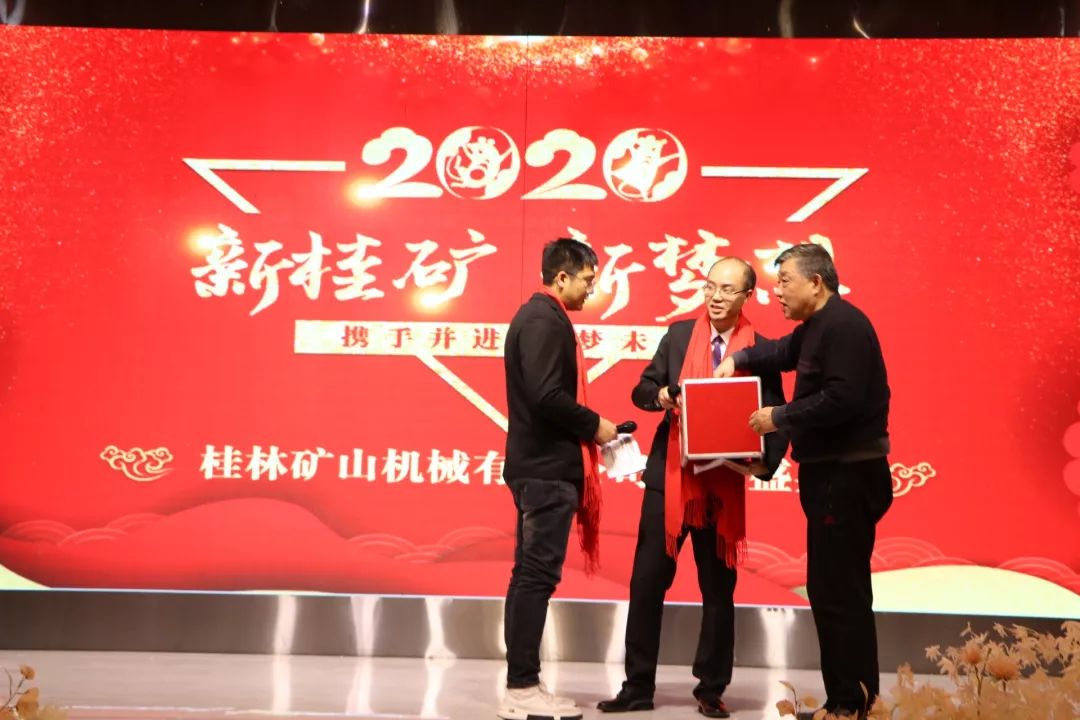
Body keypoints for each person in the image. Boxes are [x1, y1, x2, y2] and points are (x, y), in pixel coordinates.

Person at [598, 257, 788, 719]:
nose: (716, 297)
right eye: (710, 287)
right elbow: (642, 389)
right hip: (670, 477)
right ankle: (637, 685)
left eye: (727, 289)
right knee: (647, 582)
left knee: (718, 590)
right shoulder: (679, 335)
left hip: (722, 483)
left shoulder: (761, 350)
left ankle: (711, 688)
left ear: (747, 296)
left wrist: (763, 464)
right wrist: (660, 396)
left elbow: (778, 413)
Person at [716, 243, 892, 719]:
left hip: (846, 475)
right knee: (833, 591)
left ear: (816, 282)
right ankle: (850, 702)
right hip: (831, 475)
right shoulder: (816, 326)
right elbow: (781, 351)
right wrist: (739, 358)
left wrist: (779, 416)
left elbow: (843, 399)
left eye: (785, 281)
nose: (777, 291)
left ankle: (850, 705)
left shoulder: (845, 326)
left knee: (839, 594)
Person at [498, 237, 619, 720]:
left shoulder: (541, 317)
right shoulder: (544, 321)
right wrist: (596, 426)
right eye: (587, 279)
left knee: (529, 575)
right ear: (561, 277)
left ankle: (524, 682)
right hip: (545, 470)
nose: (591, 289)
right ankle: (521, 687)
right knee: (536, 577)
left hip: (539, 467)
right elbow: (546, 396)